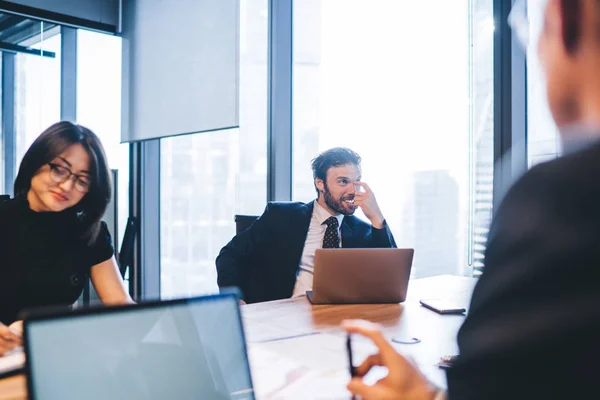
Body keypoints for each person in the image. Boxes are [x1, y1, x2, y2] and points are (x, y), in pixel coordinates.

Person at [343, 0, 600, 399]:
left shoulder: (567, 196)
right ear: (318, 184)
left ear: (564, 21)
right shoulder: (284, 218)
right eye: (341, 181)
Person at [0, 121, 133, 356]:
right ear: (35, 163)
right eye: (59, 169)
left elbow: (121, 306)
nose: (67, 185)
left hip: (50, 356)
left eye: (82, 180)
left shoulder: (89, 233)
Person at [216, 147, 396, 304]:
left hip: (337, 322)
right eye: (343, 182)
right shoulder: (280, 216)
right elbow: (230, 255)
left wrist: (377, 218)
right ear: (320, 183)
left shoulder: (363, 231)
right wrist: (235, 300)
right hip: (282, 316)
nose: (353, 191)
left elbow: (391, 281)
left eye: (357, 182)